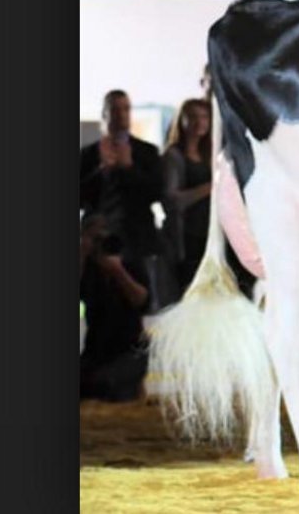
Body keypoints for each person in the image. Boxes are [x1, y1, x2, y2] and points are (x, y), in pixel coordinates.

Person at [80, 89, 167, 310]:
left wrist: (129, 168)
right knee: (99, 306)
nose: (121, 114)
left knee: (142, 306)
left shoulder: (147, 152)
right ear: (104, 114)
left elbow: (157, 193)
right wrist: (101, 170)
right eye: (114, 109)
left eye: (126, 109)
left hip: (137, 242)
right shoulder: (88, 155)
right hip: (98, 242)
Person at [80, 212, 151, 401]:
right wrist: (82, 255)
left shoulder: (128, 262)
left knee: (109, 387)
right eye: (95, 238)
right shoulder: (86, 267)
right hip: (97, 349)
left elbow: (142, 300)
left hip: (130, 350)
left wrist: (117, 271)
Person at [161, 98, 213, 296]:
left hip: (207, 236)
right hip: (185, 238)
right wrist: (209, 188)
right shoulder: (174, 156)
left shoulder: (209, 154)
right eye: (192, 116)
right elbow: (172, 201)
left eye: (204, 117)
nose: (199, 122)